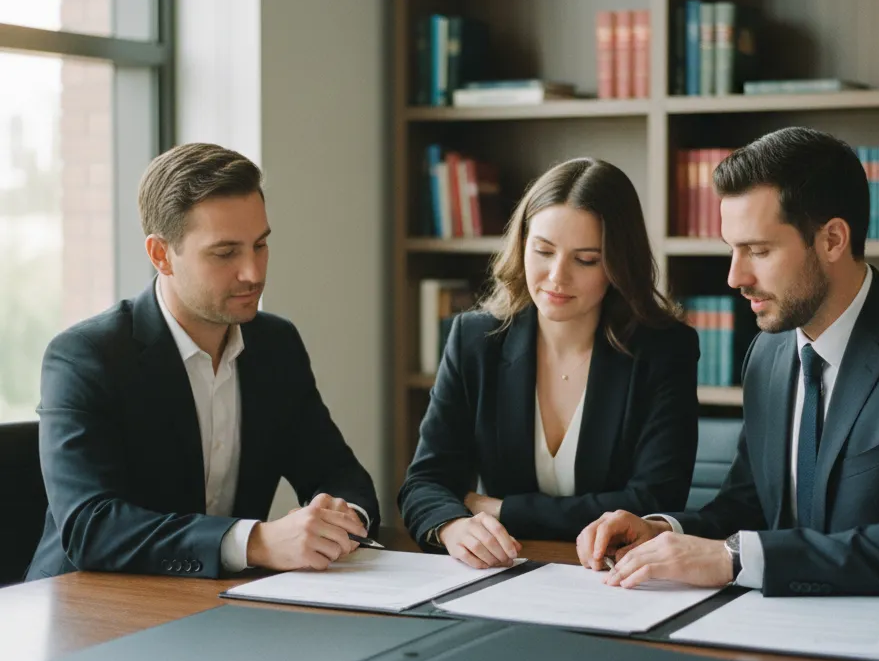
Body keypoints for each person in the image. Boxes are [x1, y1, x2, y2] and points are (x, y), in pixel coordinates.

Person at [577, 127, 879, 597]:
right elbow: (752, 505)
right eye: (732, 249)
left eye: (759, 251)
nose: (735, 276)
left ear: (832, 240)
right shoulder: (769, 353)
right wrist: (666, 531)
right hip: (796, 624)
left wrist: (732, 558)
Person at [27, 143, 379, 580]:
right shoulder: (86, 357)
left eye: (261, 244)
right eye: (225, 253)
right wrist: (257, 541)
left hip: (219, 606)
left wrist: (344, 522)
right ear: (161, 255)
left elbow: (338, 473)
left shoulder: (275, 345)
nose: (253, 272)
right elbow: (90, 527)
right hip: (90, 611)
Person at [398, 157, 699, 569]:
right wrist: (452, 525)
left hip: (613, 576)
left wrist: (501, 510)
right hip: (504, 571)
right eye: (542, 250)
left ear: (617, 264)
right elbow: (424, 483)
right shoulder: (475, 340)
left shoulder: (665, 349)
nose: (557, 277)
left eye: (586, 259)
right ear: (521, 244)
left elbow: (654, 502)